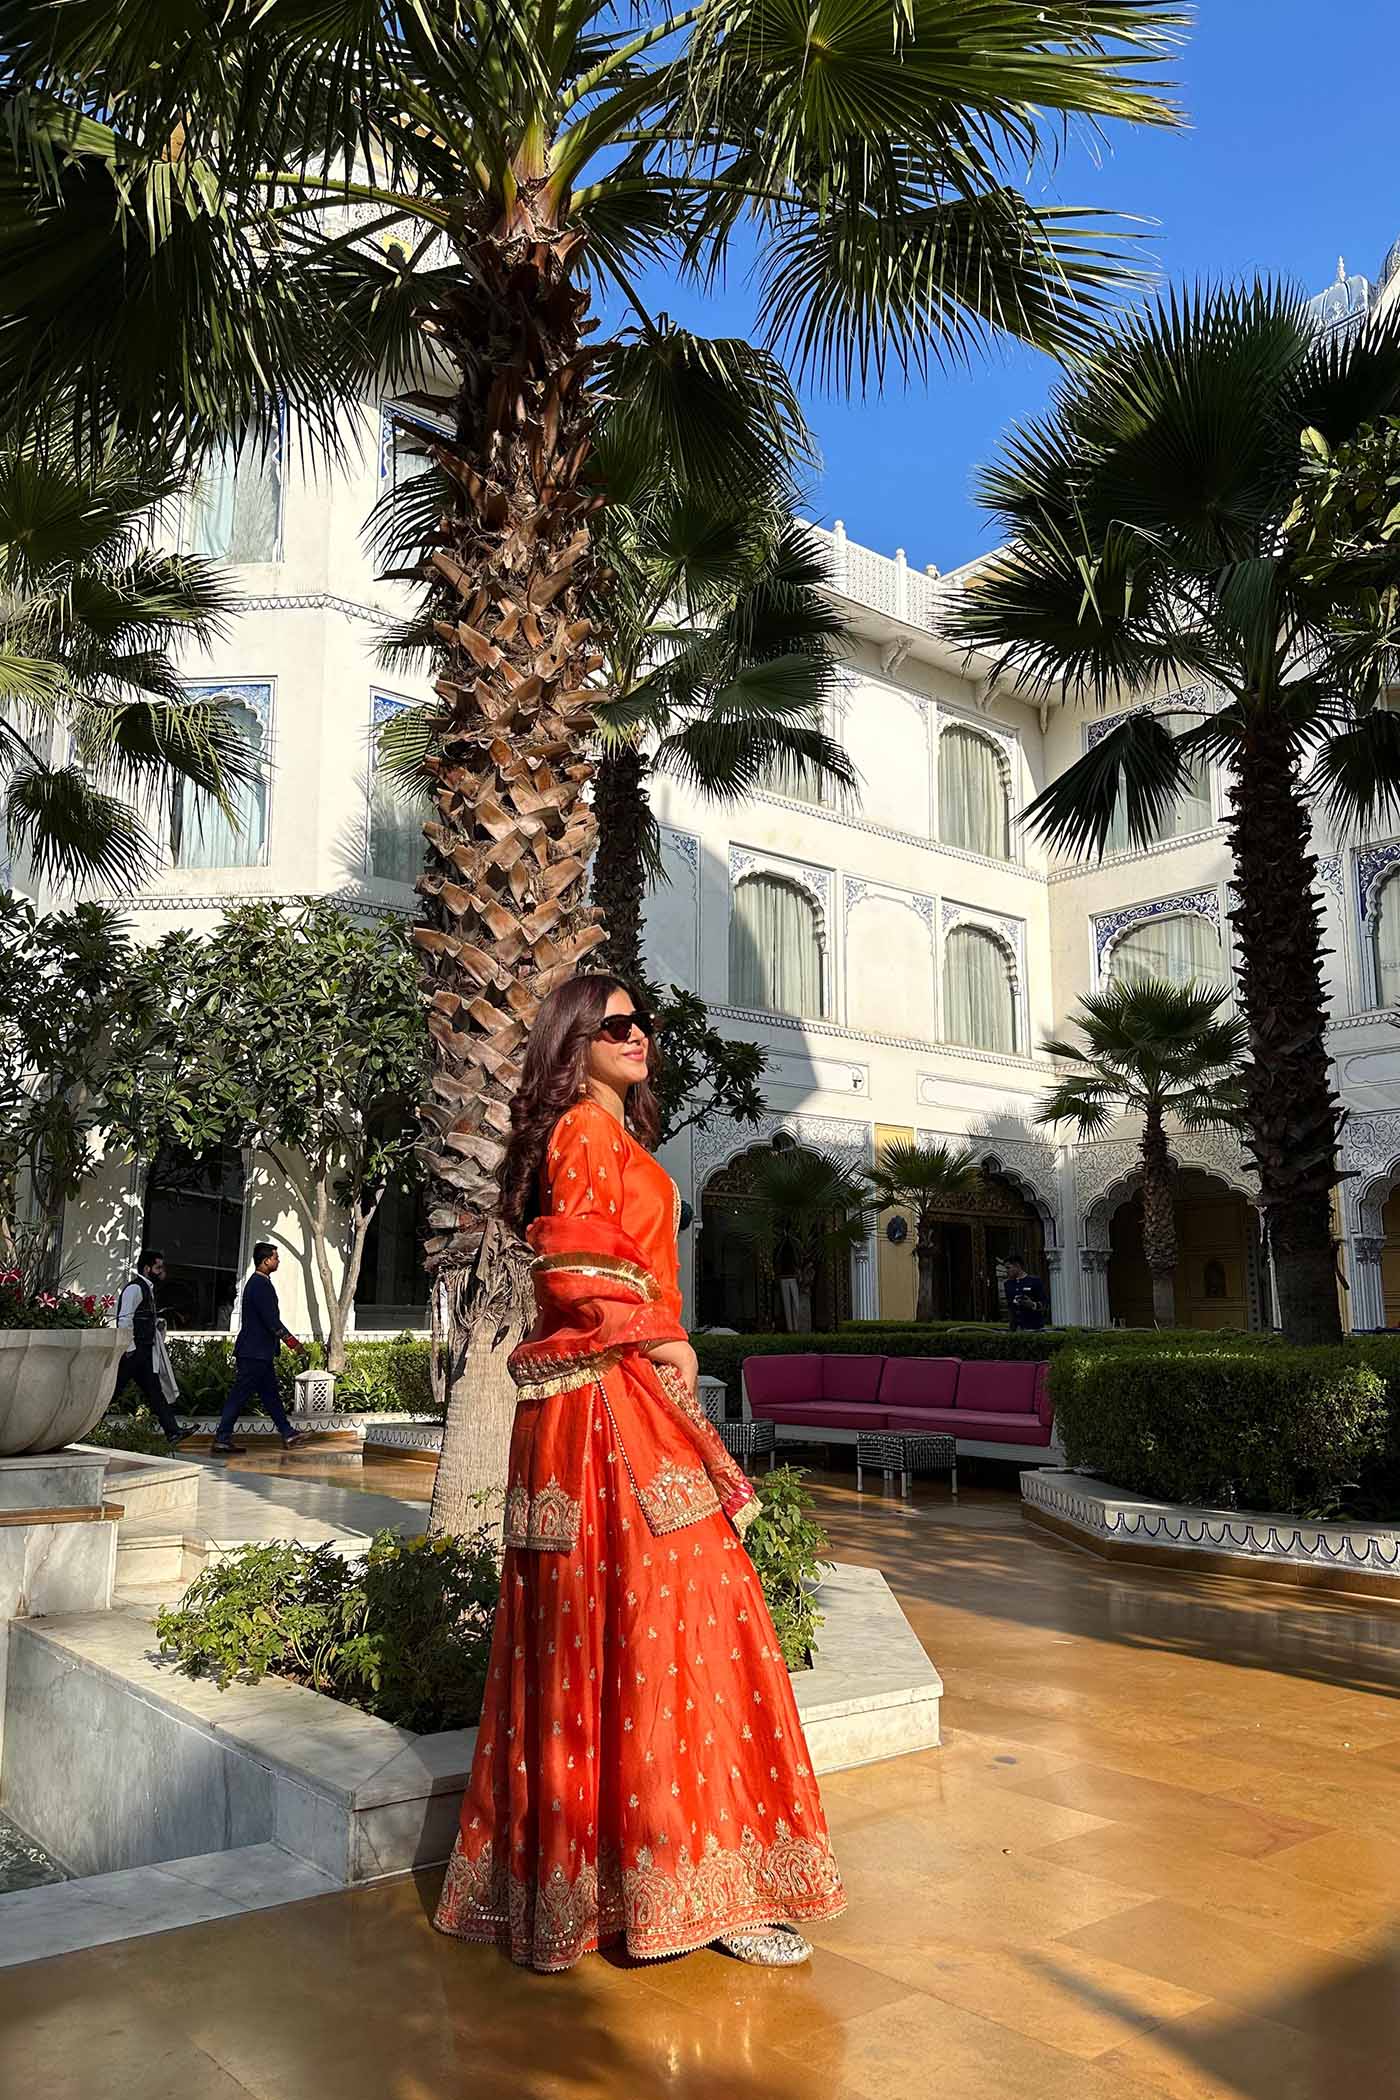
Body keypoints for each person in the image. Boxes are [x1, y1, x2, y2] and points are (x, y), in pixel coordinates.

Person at [434, 976, 845, 1973]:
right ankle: (688, 1887)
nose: (638, 1036)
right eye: (614, 1024)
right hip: (606, 1407)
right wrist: (665, 1340)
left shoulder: (615, 1141)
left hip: (615, 1401)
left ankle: (666, 1886)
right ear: (573, 1043)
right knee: (676, 1623)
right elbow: (570, 1273)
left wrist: (659, 1345)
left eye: (641, 1022)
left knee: (655, 1630)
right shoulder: (580, 1130)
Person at [210, 1244, 312, 1455]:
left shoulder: (258, 1283)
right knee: (239, 1395)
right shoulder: (259, 1285)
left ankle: (288, 1433)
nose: (278, 1261)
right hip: (254, 1352)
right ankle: (222, 1437)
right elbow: (272, 1322)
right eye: (276, 1258)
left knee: (270, 1395)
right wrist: (294, 1344)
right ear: (266, 1261)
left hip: (258, 1352)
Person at [113, 1249, 187, 1453]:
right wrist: (130, 1348)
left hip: (144, 1352)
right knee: (114, 1391)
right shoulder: (135, 1289)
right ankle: (87, 1429)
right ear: (147, 1268)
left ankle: (173, 1431)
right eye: (158, 1267)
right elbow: (124, 1319)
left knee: (155, 1392)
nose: (161, 1271)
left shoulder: (147, 1289)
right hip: (134, 1352)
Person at [1003, 1254, 1050, 1332]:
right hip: (1015, 1329)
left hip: (1033, 1327)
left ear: (1017, 1266)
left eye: (1008, 1268)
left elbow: (1045, 1304)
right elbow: (1010, 1306)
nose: (1006, 1271)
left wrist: (1032, 1304)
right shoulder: (1008, 1284)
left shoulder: (1034, 1281)